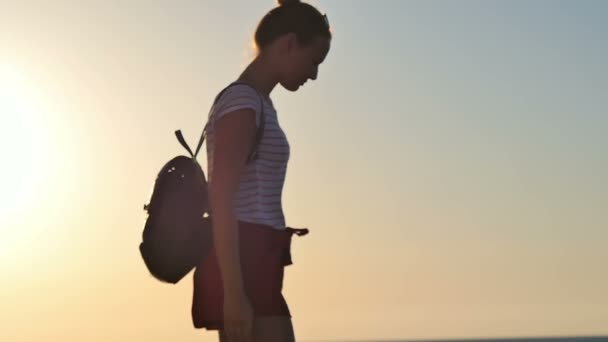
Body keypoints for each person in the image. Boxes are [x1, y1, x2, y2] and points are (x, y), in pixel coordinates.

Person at [191, 0, 332, 341]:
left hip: (257, 263)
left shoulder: (258, 102)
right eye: (313, 60)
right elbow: (221, 198)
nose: (314, 74)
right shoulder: (243, 102)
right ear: (287, 44)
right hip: (244, 264)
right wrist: (235, 294)